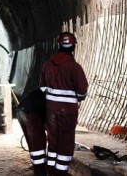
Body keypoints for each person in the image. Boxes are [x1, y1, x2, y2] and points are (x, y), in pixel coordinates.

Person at [39, 32, 88, 175]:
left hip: (51, 109)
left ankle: (50, 170)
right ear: (73, 47)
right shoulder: (74, 67)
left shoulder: (47, 65)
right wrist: (77, 97)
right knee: (66, 142)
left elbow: (42, 88)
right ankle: (60, 172)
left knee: (53, 140)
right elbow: (82, 90)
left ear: (59, 45)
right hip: (68, 110)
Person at [16, 87, 47, 175]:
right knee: (38, 143)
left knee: (32, 142)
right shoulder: (52, 93)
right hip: (30, 113)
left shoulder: (43, 89)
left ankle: (36, 166)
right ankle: (40, 172)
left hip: (20, 111)